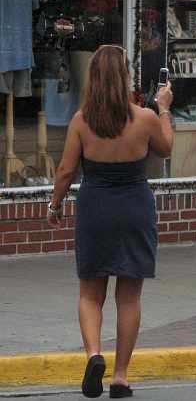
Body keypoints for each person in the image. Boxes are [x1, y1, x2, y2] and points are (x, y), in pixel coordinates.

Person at [47, 45, 173, 398]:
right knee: (129, 297)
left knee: (90, 292)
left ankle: (94, 354)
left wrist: (55, 204)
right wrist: (163, 109)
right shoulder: (144, 118)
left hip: (95, 207)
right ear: (125, 77)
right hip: (135, 206)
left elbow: (66, 171)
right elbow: (166, 148)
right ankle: (120, 376)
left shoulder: (81, 121)